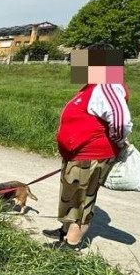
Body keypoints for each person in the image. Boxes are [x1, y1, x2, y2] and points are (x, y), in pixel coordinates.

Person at [45, 50, 132, 250]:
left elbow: (120, 120)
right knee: (71, 194)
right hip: (77, 153)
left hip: (93, 155)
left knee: (82, 199)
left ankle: (72, 244)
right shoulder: (93, 86)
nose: (77, 69)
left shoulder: (108, 85)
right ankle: (65, 230)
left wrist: (117, 142)